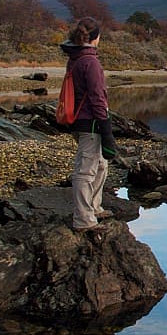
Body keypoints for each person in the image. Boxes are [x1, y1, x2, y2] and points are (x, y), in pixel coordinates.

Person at [61, 17, 118, 233]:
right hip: (91, 122)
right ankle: (84, 220)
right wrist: (105, 126)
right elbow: (96, 97)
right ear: (96, 38)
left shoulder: (75, 58)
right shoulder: (90, 62)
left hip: (79, 119)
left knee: (101, 164)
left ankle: (94, 207)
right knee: (85, 171)